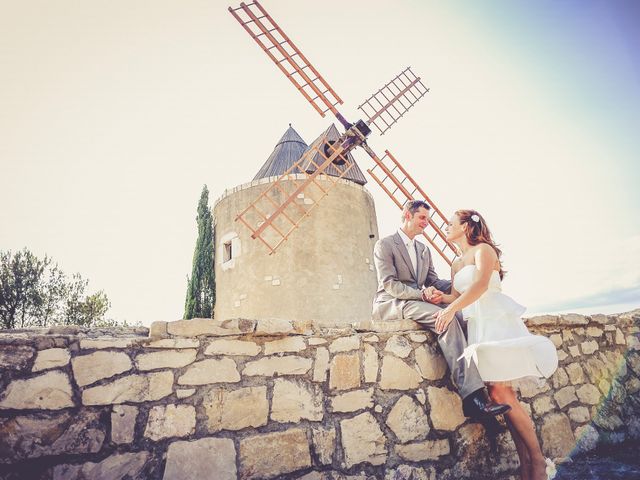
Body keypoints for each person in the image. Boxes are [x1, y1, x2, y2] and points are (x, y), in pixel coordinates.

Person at [433, 209, 558, 480]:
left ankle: (537, 461)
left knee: (502, 394)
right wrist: (438, 299)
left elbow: (478, 287)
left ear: (466, 226)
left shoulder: (483, 250)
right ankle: (525, 466)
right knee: (501, 397)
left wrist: (451, 308)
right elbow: (456, 295)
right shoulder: (455, 263)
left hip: (497, 323)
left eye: (450, 223)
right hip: (479, 328)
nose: (445, 226)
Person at [372, 200, 510, 418]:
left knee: (464, 315)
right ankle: (473, 397)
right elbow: (389, 284)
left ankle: (488, 382)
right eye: (422, 218)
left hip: (419, 302)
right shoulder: (385, 245)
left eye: (428, 219)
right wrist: (422, 294)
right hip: (394, 303)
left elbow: (433, 281)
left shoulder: (424, 250)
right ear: (407, 215)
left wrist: (467, 279)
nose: (426, 223)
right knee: (443, 317)